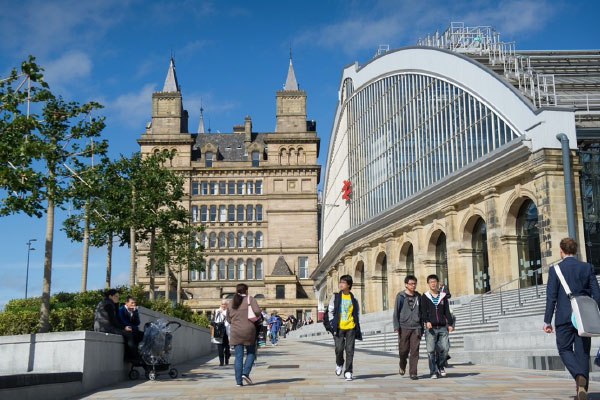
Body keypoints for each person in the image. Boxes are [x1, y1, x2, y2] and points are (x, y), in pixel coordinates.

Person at [544, 238, 600, 400]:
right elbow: (597, 294)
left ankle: (578, 375)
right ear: (575, 251)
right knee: (583, 352)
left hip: (564, 316)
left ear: (561, 250)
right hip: (583, 316)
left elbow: (551, 297)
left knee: (564, 348)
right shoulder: (586, 267)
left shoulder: (556, 269)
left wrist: (547, 320)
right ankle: (582, 390)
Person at [323, 275, 363, 381]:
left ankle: (348, 371)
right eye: (340, 282)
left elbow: (357, 312)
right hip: (338, 327)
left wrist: (356, 324)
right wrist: (332, 324)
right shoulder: (335, 297)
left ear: (349, 285)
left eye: (344, 282)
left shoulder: (353, 298)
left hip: (351, 327)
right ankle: (339, 363)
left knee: (350, 350)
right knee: (339, 349)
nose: (341, 284)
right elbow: (330, 311)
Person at [227, 283, 261, 387]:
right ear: (246, 291)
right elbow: (257, 312)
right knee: (251, 352)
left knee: (238, 356)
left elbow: (228, 319)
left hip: (235, 331)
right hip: (248, 330)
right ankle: (245, 373)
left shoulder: (231, 302)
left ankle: (238, 382)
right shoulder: (250, 299)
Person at [421, 274, 454, 379]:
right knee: (431, 351)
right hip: (431, 328)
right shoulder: (425, 296)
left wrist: (450, 323)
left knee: (445, 348)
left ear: (438, 282)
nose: (433, 284)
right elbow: (423, 312)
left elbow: (447, 312)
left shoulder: (443, 296)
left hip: (442, 327)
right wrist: (426, 321)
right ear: (428, 283)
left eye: (435, 281)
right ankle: (433, 371)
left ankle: (440, 366)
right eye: (431, 282)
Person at [94, 289, 140, 362]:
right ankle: (132, 357)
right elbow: (113, 320)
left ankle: (132, 356)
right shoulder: (107, 304)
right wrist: (124, 327)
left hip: (106, 327)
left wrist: (115, 305)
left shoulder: (108, 303)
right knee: (128, 334)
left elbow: (116, 319)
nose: (117, 298)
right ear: (110, 296)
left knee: (132, 333)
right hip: (104, 328)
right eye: (116, 296)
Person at [393, 275, 422, 380]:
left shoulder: (418, 296)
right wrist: (396, 326)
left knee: (415, 350)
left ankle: (413, 373)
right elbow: (396, 312)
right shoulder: (400, 296)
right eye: (411, 284)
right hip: (404, 326)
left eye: (414, 284)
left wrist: (422, 325)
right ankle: (402, 363)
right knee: (403, 350)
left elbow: (422, 311)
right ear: (406, 284)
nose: (413, 286)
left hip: (416, 327)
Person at [211, 299, 231, 366]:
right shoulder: (216, 311)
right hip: (219, 330)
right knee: (220, 347)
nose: (223, 306)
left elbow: (230, 319)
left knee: (227, 347)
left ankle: (227, 359)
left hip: (226, 330)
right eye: (222, 304)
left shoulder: (229, 311)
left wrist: (222, 312)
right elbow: (214, 320)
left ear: (227, 305)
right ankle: (221, 362)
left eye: (225, 304)